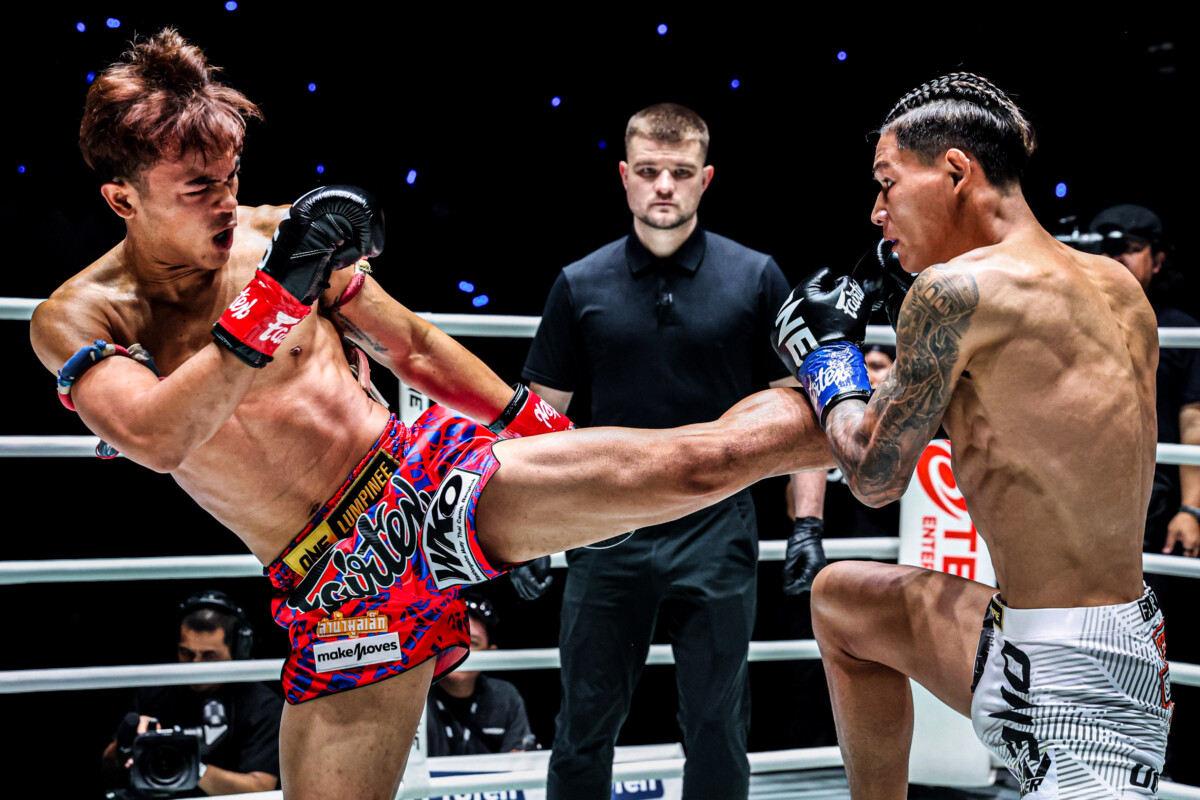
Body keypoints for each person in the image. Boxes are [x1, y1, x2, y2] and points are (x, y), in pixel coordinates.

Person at [31, 30, 830, 800]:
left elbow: (410, 347)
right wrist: (275, 297)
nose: (227, 204)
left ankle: (859, 403)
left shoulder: (277, 236)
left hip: (421, 480)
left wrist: (539, 429)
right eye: (198, 189)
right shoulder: (81, 317)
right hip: (336, 583)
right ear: (122, 197)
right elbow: (158, 437)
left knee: (697, 463)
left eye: (232, 176)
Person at [773, 73, 1171, 797]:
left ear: (955, 173)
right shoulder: (1116, 286)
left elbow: (874, 476)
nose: (876, 212)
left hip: (1074, 685)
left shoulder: (956, 293)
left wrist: (827, 362)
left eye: (887, 183)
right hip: (1115, 638)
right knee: (841, 600)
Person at [517, 102, 827, 800]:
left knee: (718, 726)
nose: (664, 185)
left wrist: (807, 523)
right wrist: (527, 527)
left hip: (716, 529)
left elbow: (799, 413)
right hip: (604, 529)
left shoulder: (756, 277)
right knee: (582, 725)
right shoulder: (579, 283)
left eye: (681, 172)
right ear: (625, 175)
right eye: (650, 170)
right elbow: (538, 417)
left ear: (705, 178)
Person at [1089, 204, 1200, 559]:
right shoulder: (1063, 324)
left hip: (1153, 505)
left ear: (1157, 260)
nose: (1117, 258)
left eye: (1132, 248)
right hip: (1078, 501)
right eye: (1107, 249)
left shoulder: (1181, 331)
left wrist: (1191, 508)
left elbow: (1194, 419)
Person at [101, 590, 282, 797]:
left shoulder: (262, 706)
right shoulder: (156, 691)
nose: (196, 665)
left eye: (209, 656)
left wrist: (189, 765)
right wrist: (124, 745)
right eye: (186, 653)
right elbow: (107, 773)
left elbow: (260, 789)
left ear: (238, 652)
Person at [425, 591, 535, 756]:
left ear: (490, 653)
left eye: (473, 642)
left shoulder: (506, 698)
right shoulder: (415, 697)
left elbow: (517, 764)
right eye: (451, 637)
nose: (459, 650)